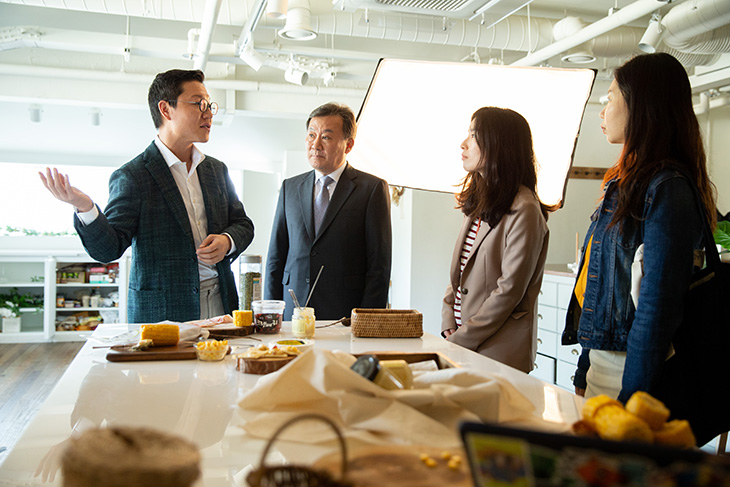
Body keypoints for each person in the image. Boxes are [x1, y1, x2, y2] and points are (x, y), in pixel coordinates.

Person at [39, 69, 254, 323]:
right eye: (199, 103)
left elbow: (243, 225)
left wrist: (227, 241)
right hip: (164, 314)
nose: (208, 112)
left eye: (209, 104)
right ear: (166, 109)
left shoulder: (216, 170)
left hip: (222, 302)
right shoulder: (133, 175)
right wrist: (84, 207)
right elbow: (109, 249)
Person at [562, 53, 716, 402]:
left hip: (634, 371)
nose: (602, 111)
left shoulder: (667, 188)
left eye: (610, 97)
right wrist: (585, 366)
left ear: (641, 106)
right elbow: (597, 285)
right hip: (604, 362)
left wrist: (634, 399)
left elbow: (658, 306)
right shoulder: (622, 183)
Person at [441, 107, 551, 374]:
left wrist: (461, 339)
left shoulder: (524, 208)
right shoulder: (480, 199)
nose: (463, 144)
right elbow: (460, 273)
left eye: (474, 135)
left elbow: (508, 291)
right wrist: (448, 320)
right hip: (462, 343)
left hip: (498, 353)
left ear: (499, 145)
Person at [265, 102, 392, 321]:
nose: (315, 144)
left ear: (348, 145)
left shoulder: (371, 189)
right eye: (311, 135)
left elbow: (378, 267)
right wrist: (269, 314)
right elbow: (276, 257)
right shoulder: (290, 188)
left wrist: (367, 319)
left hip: (344, 314)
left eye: (326, 137)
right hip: (292, 314)